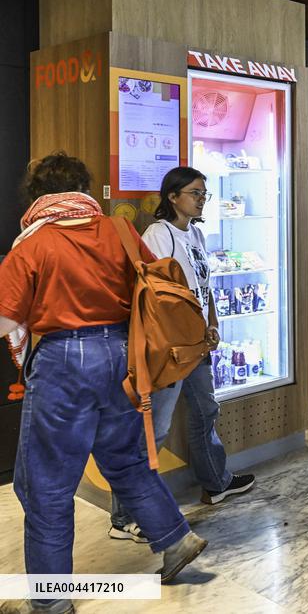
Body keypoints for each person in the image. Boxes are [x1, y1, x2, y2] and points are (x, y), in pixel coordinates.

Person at [0, 153, 207, 613]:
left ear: (36, 195)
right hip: (123, 356)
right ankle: (176, 540)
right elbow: (156, 280)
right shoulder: (118, 230)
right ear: (84, 189)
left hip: (62, 361)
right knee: (127, 461)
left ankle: (51, 603)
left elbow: (5, 319)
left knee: (46, 485)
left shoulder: (32, 244)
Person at [108, 167, 255, 543]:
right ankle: (125, 515)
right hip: (170, 348)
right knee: (154, 428)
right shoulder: (158, 234)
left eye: (204, 193)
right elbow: (153, 294)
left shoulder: (197, 233)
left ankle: (216, 482)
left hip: (197, 343)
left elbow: (202, 285)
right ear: (172, 196)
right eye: (194, 192)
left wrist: (213, 320)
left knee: (206, 410)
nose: (201, 198)